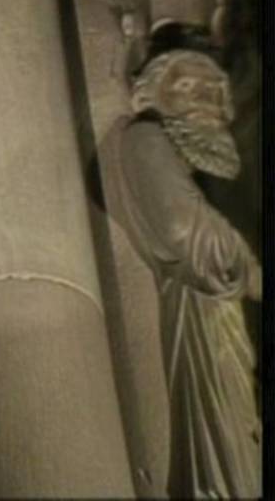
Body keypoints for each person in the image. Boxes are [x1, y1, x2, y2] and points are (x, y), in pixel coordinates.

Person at [102, 49, 261, 499]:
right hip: (210, 317)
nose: (205, 95)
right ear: (151, 93)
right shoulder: (146, 137)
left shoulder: (226, 163)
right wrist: (250, 267)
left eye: (212, 88)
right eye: (186, 85)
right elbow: (182, 231)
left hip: (232, 314)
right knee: (225, 461)